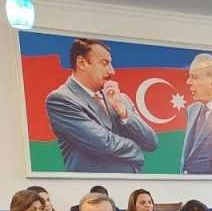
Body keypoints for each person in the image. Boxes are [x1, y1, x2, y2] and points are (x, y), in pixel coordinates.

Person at [45, 38, 157, 174]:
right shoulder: (61, 99)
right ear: (82, 63)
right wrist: (137, 149)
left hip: (132, 184)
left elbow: (151, 142)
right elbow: (102, 143)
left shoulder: (120, 99)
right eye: (105, 63)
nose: (112, 71)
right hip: (94, 186)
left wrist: (124, 113)